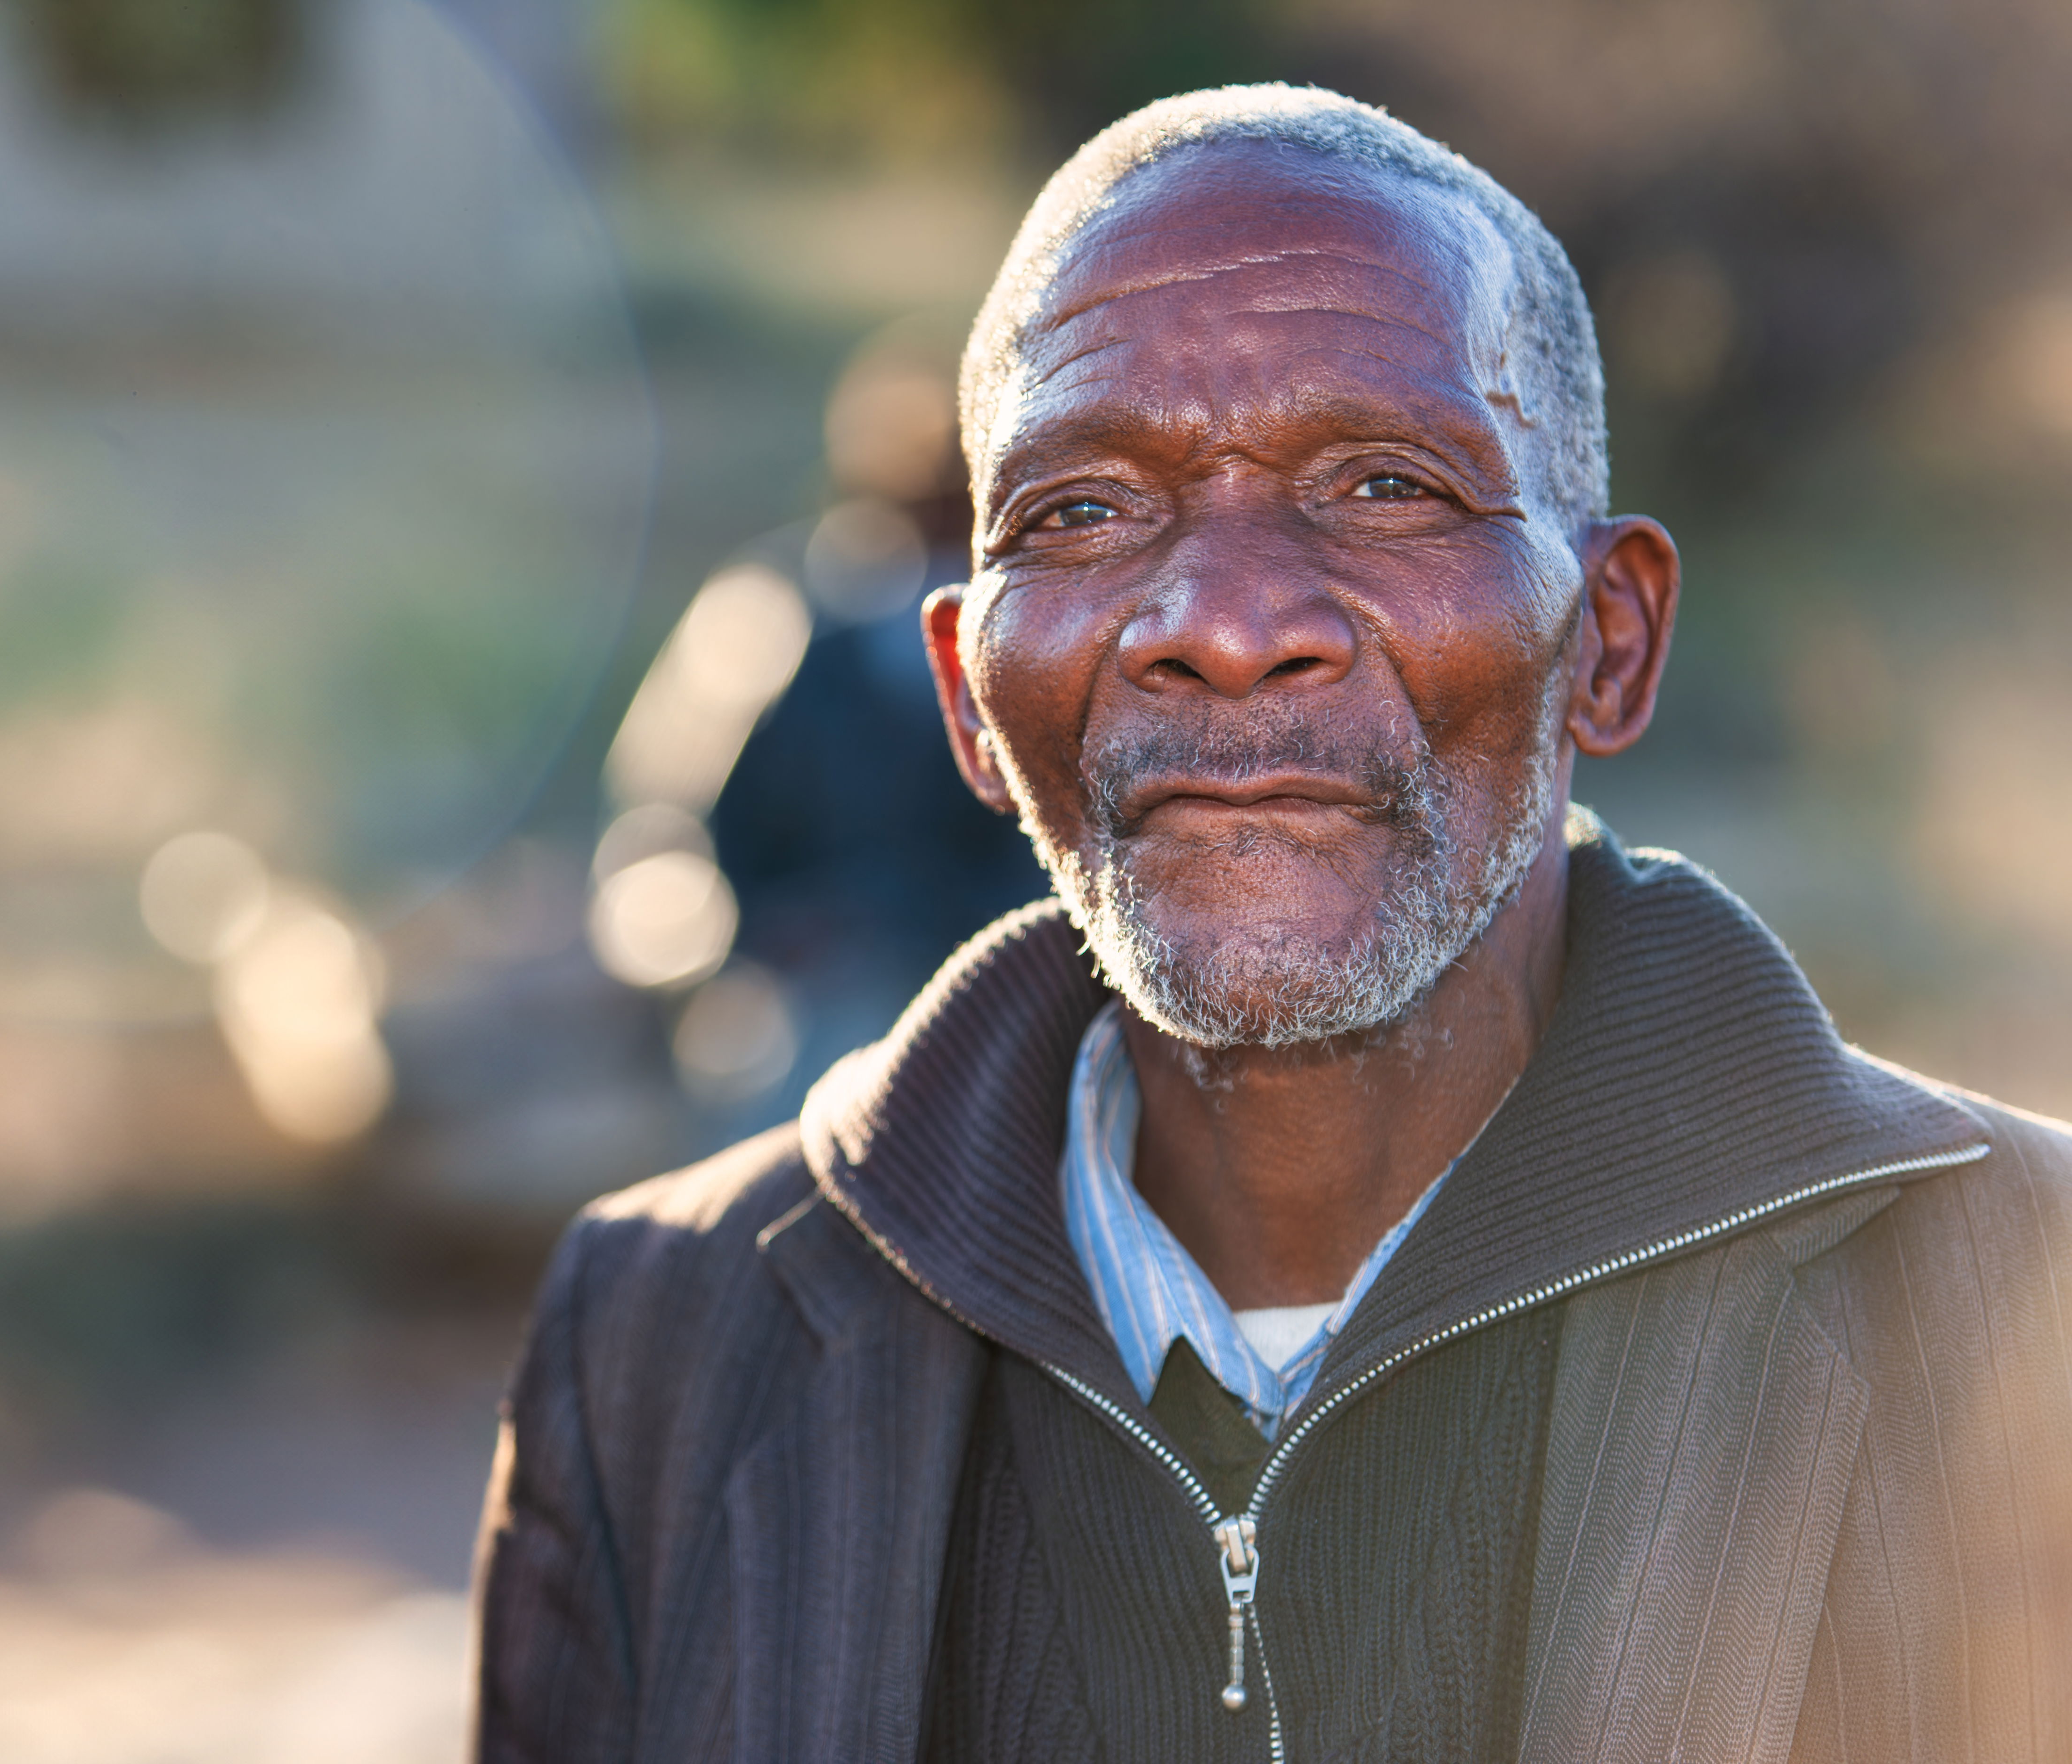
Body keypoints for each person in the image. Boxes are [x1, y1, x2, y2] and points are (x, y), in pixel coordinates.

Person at [473, 84, 2072, 1762]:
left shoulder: (2029, 1314)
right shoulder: (659, 1337)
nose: (1227, 626)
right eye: (1084, 508)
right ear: (964, 694)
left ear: (1607, 641)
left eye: (1386, 485)